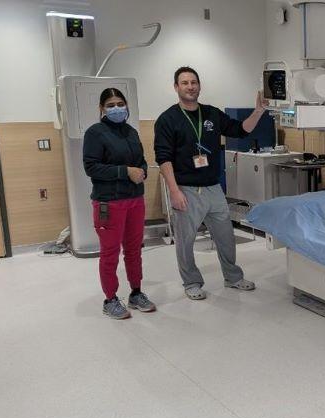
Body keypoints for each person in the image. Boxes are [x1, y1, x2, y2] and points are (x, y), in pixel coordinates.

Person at [154, 66, 267, 300]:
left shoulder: (211, 114)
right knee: (186, 241)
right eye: (184, 83)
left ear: (199, 85)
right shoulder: (168, 119)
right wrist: (174, 191)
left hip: (213, 187)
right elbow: (163, 158)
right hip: (186, 188)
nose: (190, 86)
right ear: (176, 87)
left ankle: (233, 277)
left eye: (194, 82)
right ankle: (192, 282)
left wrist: (258, 111)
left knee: (225, 235)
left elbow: (240, 130)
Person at [83, 88, 156, 319]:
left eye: (120, 104)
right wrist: (125, 172)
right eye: (111, 105)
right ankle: (110, 299)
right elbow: (91, 167)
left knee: (134, 250)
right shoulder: (95, 133)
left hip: (134, 200)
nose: (117, 108)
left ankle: (136, 293)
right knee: (110, 252)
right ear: (102, 109)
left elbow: (141, 161)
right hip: (109, 203)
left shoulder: (131, 131)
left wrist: (142, 171)